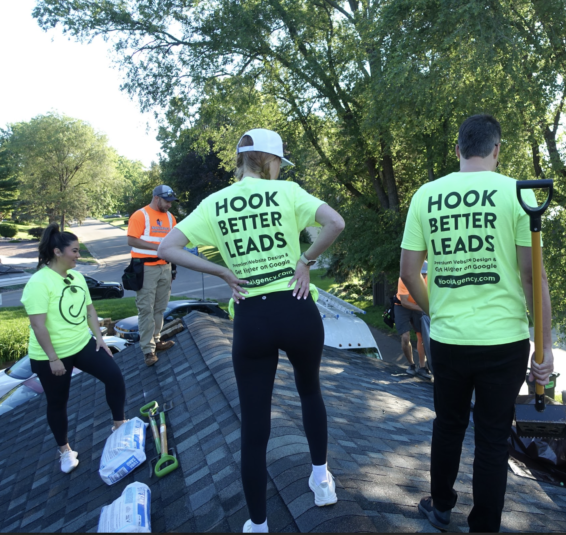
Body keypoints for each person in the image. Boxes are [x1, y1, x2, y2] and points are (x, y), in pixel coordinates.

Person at [158, 128, 345, 534]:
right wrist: (306, 260)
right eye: (279, 162)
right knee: (310, 390)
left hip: (251, 319)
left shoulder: (215, 203)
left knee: (255, 424)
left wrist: (221, 269)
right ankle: (321, 480)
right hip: (297, 309)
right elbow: (335, 222)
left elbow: (166, 248)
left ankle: (258, 524)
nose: (280, 169)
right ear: (268, 159)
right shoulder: (289, 192)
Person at [400, 114, 555, 533]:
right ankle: (484, 525)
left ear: (458, 150)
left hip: (449, 339)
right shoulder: (519, 195)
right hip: (504, 342)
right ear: (497, 149)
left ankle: (441, 506)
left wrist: (435, 310)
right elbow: (531, 276)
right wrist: (546, 346)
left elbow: (410, 272)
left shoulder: (426, 195)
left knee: (447, 426)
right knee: (492, 438)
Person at [20, 224, 127, 474]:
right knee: (58, 401)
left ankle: (119, 425)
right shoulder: (39, 283)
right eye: (75, 251)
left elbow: (90, 310)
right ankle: (65, 451)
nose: (79, 255)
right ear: (58, 252)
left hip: (82, 344)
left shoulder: (77, 277)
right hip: (51, 355)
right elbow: (37, 325)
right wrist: (53, 359)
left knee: (114, 376)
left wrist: (100, 338)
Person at [126, 185, 179, 366]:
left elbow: (174, 242)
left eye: (171, 202)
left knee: (160, 308)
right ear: (157, 198)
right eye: (167, 201)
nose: (170, 205)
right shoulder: (141, 215)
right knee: (146, 309)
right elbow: (131, 239)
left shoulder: (171, 218)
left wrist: (173, 268)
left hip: (165, 266)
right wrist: (158, 248)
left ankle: (156, 340)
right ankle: (148, 350)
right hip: (146, 268)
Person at [395, 261, 431, 380]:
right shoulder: (404, 279)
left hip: (419, 305)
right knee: (405, 337)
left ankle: (422, 367)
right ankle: (411, 365)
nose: (424, 277)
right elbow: (405, 302)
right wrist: (424, 308)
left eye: (425, 274)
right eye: (422, 274)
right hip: (401, 305)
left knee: (423, 337)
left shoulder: (430, 279)